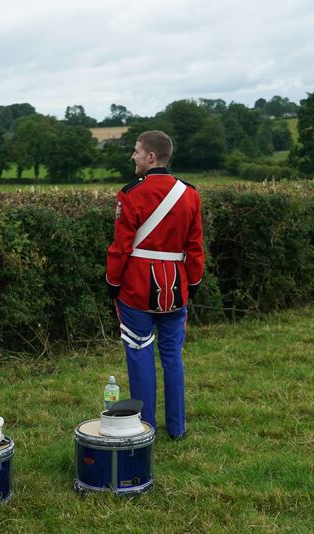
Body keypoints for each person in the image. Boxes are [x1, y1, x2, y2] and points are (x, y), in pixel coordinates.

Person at [106, 130, 204, 440]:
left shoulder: (131, 194)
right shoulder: (190, 194)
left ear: (151, 157)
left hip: (136, 287)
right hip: (176, 286)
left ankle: (143, 429)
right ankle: (177, 429)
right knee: (173, 356)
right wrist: (194, 283)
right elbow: (195, 246)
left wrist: (112, 282)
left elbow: (121, 246)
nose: (132, 156)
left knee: (139, 354)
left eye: (136, 151)